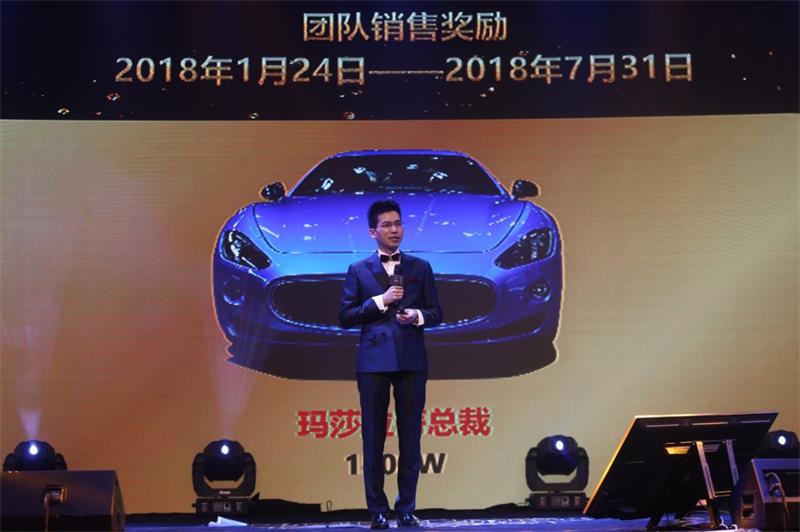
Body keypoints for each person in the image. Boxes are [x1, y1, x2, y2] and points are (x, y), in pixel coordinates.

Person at [339, 199, 443, 529]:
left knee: (411, 438)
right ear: (373, 232)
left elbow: (437, 312)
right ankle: (378, 510)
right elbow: (346, 316)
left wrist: (417, 316)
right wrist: (380, 301)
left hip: (411, 359)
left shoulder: (420, 267)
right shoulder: (358, 270)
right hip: (373, 362)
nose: (394, 230)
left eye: (398, 223)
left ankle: (406, 508)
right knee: (373, 439)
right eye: (387, 225)